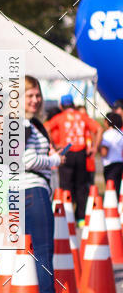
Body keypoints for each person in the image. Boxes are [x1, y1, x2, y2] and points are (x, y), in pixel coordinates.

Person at [24, 76, 74, 293]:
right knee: (43, 250)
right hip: (32, 190)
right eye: (29, 95)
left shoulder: (25, 124)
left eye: (37, 95)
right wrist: (54, 160)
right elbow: (28, 160)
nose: (35, 100)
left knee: (27, 252)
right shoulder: (22, 124)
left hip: (20, 192)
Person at [45, 94, 101, 225]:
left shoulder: (59, 117)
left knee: (65, 185)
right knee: (81, 185)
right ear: (74, 105)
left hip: (66, 152)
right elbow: (98, 129)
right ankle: (81, 218)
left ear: (61, 106)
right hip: (81, 153)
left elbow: (46, 127)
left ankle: (66, 217)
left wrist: (52, 144)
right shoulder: (82, 116)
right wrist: (94, 147)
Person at [100, 111, 123, 195]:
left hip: (110, 166)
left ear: (108, 122)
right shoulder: (120, 133)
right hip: (120, 164)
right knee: (118, 190)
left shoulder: (107, 135)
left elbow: (104, 152)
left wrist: (98, 148)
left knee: (111, 191)